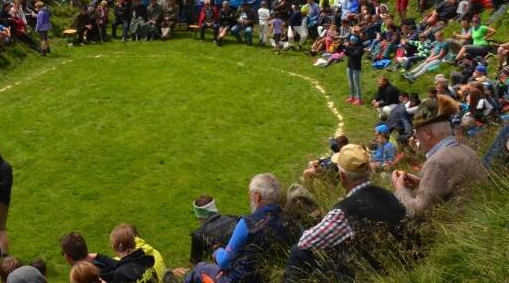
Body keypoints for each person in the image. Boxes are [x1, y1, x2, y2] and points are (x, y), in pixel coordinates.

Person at [283, 144, 405, 282]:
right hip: (397, 266)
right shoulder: (388, 194)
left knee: (297, 251)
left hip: (365, 273)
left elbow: (305, 242)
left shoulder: (343, 212)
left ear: (342, 176)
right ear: (369, 169)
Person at [178, 173, 292, 283]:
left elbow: (224, 262)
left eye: (250, 194)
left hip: (240, 279)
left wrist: (217, 251)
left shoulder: (247, 223)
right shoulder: (289, 219)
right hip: (267, 276)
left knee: (199, 269)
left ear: (257, 196)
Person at [390, 105, 487, 217]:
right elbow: (453, 190)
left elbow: (417, 212)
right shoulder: (466, 149)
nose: (414, 137)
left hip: (458, 225)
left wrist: (400, 189)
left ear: (427, 134)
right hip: (478, 216)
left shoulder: (436, 163)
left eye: (416, 132)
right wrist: (421, 183)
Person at [92, 224, 163, 283]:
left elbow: (121, 267)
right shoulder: (144, 258)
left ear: (115, 247)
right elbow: (120, 264)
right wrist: (98, 256)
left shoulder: (121, 273)